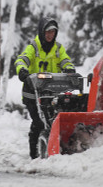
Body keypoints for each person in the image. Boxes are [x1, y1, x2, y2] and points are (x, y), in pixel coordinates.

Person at [14, 17, 76, 159]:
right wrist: (23, 71)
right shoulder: (33, 47)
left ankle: (56, 146)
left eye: (53, 32)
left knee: (52, 120)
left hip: (51, 91)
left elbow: (66, 61)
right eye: (47, 32)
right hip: (32, 93)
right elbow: (21, 60)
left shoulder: (58, 48)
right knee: (39, 122)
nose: (50, 35)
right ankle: (34, 155)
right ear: (42, 32)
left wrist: (69, 69)